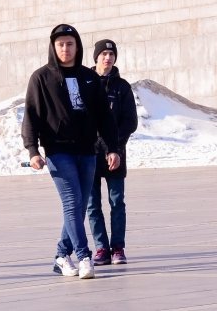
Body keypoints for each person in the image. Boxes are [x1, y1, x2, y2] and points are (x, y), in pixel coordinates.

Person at [22, 24, 120, 280]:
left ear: (77, 46)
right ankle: (84, 256)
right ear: (53, 48)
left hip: (87, 150)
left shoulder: (89, 78)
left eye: (70, 44)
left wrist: (112, 147)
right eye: (60, 44)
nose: (65, 49)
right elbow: (31, 115)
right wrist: (33, 150)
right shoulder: (41, 78)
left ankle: (60, 255)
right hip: (58, 151)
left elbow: (104, 117)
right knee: (72, 202)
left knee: (78, 205)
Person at [86, 39, 138, 267]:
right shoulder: (84, 82)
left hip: (115, 154)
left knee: (117, 202)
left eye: (111, 54)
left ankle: (117, 247)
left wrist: (115, 147)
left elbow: (130, 121)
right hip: (88, 154)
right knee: (92, 204)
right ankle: (100, 248)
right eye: (104, 54)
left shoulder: (122, 87)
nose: (108, 58)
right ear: (96, 56)